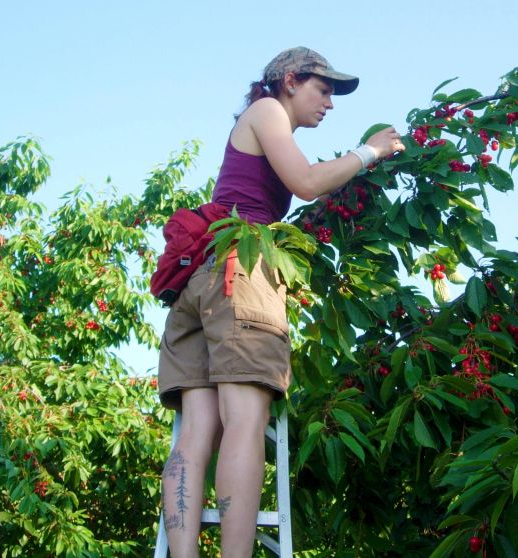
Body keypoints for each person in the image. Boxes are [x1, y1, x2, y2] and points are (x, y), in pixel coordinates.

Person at [157, 46, 404, 558]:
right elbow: (307, 183)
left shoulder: (261, 126)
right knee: (244, 420)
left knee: (198, 430)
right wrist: (370, 152)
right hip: (238, 272)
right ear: (290, 81)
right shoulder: (268, 110)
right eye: (324, 88)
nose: (330, 103)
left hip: (201, 282)